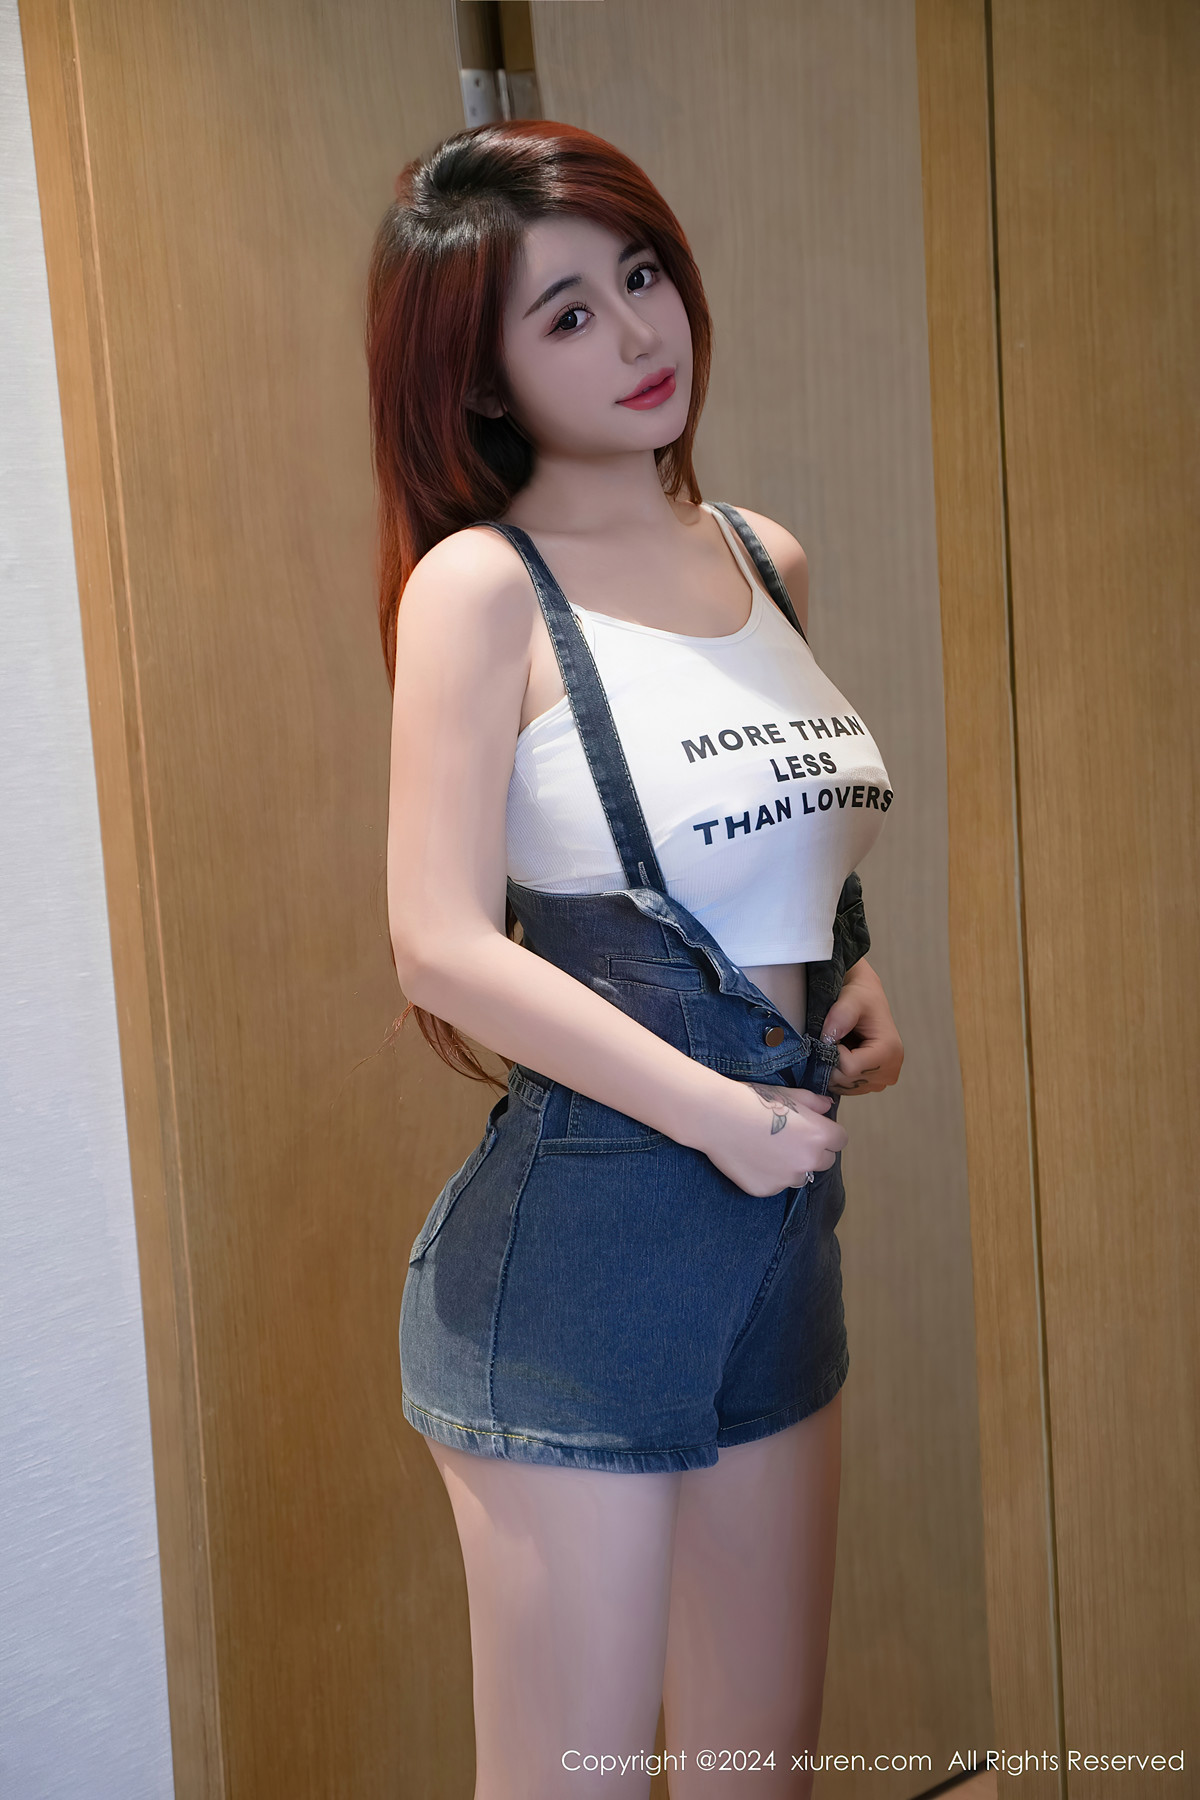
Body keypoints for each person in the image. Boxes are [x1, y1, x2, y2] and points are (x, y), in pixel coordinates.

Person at [367, 120, 904, 1800]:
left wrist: (854, 973)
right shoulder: (480, 591)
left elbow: (775, 833)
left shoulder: (762, 556)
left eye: (643, 275)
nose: (638, 333)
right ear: (484, 376)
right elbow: (438, 942)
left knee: (761, 1772)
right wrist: (719, 1113)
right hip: (583, 1250)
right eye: (569, 316)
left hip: (780, 1233)